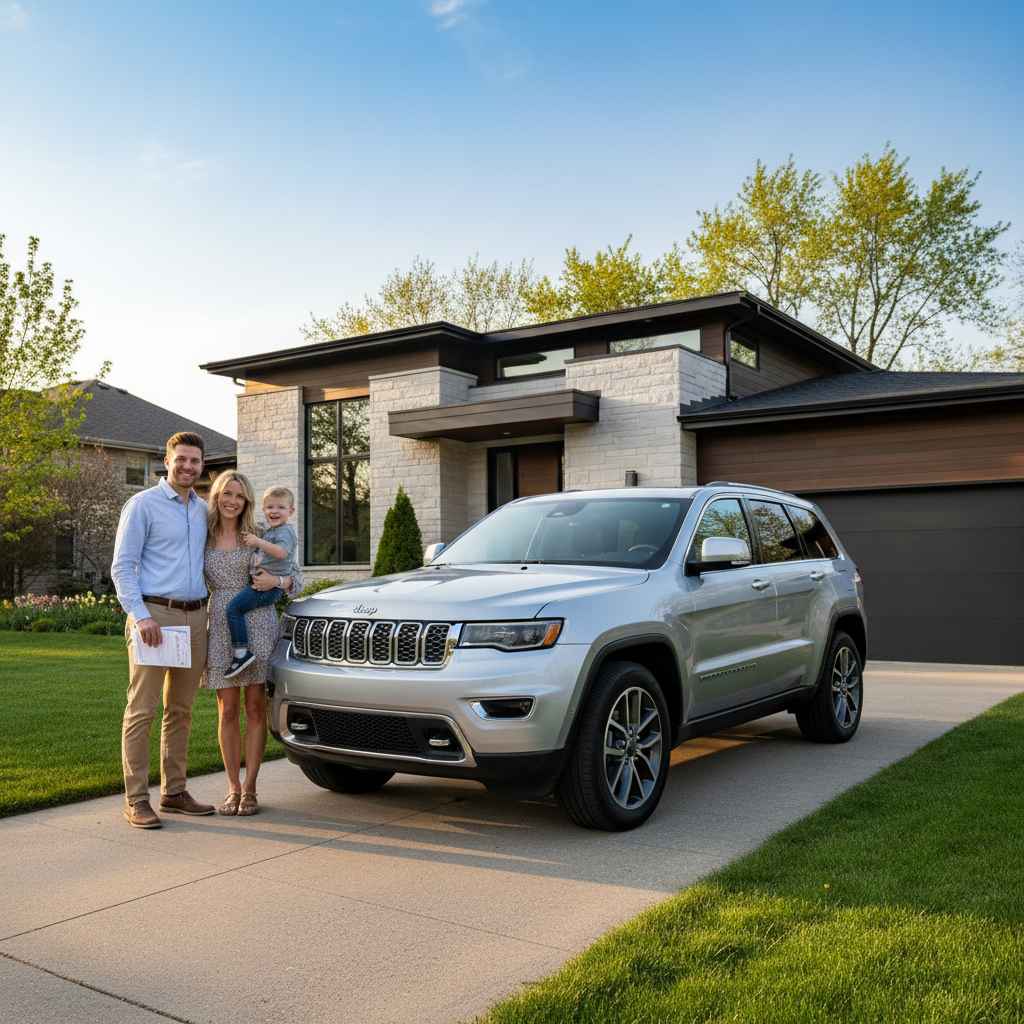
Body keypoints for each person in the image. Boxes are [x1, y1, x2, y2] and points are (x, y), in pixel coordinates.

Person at [111, 432, 215, 829]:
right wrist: (140, 616)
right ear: (167, 462)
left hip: (196, 618)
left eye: (195, 461)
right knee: (142, 711)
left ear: (202, 466)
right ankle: (137, 799)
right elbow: (122, 566)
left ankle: (174, 791)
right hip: (155, 616)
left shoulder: (201, 509)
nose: (188, 466)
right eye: (182, 459)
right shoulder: (143, 505)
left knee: (182, 710)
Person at [202, 471, 303, 816]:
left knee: (256, 708)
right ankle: (232, 788)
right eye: (226, 494)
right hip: (219, 624)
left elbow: (297, 578)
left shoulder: (262, 534)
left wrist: (279, 579)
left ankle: (251, 789)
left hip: (259, 621)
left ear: (246, 502)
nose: (232, 501)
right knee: (228, 710)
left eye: (240, 496)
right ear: (217, 496)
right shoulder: (202, 535)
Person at [223, 486, 297, 679]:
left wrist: (258, 542)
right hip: (261, 586)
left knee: (233, 609)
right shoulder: (271, 531)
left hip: (267, 588)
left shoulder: (285, 532)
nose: (274, 511)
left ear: (291, 512)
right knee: (234, 609)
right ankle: (241, 652)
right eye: (269, 507)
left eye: (281, 507)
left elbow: (282, 553)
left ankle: (241, 653)